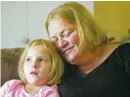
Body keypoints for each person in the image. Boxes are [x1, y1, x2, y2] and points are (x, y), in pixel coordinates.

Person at [45, 1, 130, 97]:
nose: (60, 44)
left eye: (66, 34)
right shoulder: (60, 69)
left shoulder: (125, 55)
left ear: (85, 27)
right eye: (55, 39)